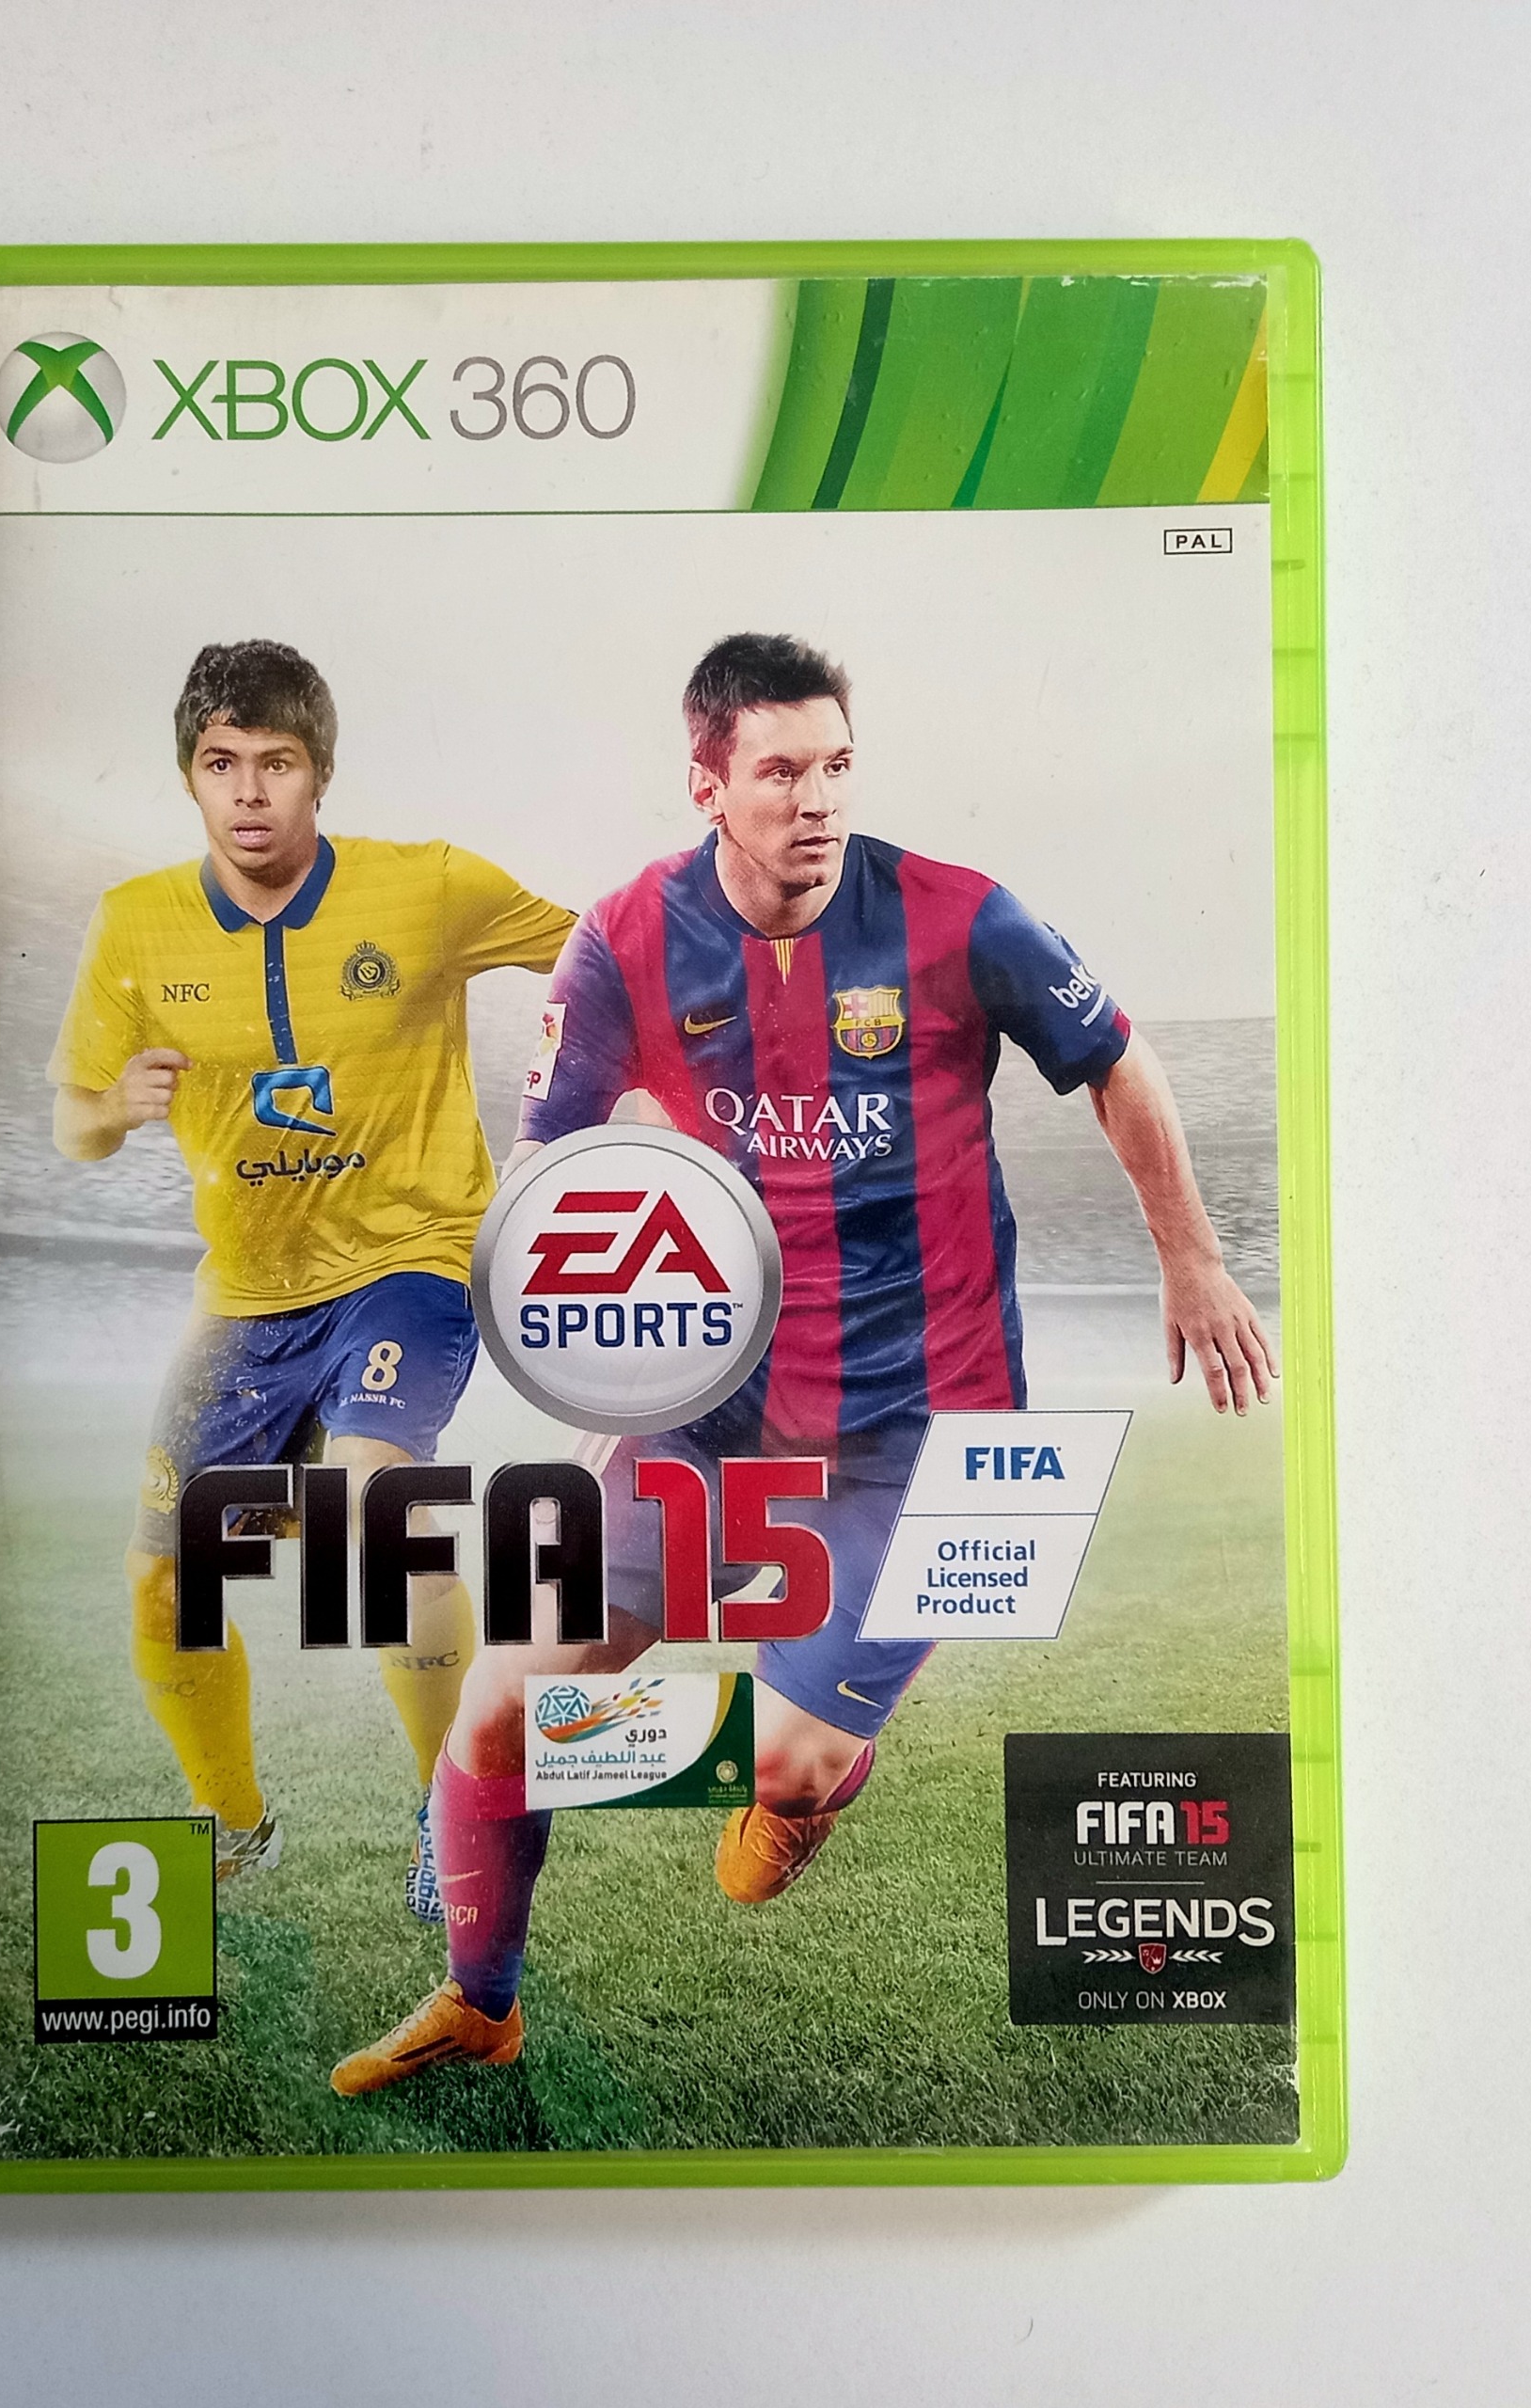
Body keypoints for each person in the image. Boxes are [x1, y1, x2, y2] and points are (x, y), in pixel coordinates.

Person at [331, 629, 1276, 2084]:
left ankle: (799, 1780)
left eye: (836, 765)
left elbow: (1116, 1060)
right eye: (779, 771)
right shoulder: (626, 936)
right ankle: (481, 2003)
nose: (816, 799)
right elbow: (548, 1167)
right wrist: (614, 1363)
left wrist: (1191, 1257)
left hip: (932, 1433)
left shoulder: (961, 917)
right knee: (511, 1697)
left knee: (776, 1769)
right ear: (707, 783)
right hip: (716, 1412)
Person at [50, 640, 574, 1916]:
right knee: (163, 1583)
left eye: (275, 762)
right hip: (244, 1298)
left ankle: (449, 1813)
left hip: (408, 1263)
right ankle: (236, 1825)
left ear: (319, 773)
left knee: (374, 1519)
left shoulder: (429, 887)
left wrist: (626, 1094)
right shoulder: (135, 924)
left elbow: (602, 958)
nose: (248, 791)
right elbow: (72, 1120)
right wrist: (113, 1104)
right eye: (220, 762)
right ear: (189, 775)